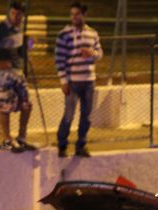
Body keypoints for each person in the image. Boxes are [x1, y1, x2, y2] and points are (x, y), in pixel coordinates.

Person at [0, 1, 35, 153]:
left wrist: (29, 44)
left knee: (26, 105)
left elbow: (21, 48)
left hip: (18, 72)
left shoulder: (20, 28)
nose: (16, 16)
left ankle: (22, 139)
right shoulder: (1, 28)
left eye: (19, 14)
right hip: (4, 74)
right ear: (9, 13)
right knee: (5, 107)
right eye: (13, 13)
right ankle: (7, 140)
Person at [55, 2, 102, 158]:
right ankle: (62, 144)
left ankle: (81, 145)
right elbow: (59, 60)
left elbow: (100, 53)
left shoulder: (93, 33)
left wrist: (92, 53)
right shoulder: (64, 34)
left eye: (77, 14)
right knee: (69, 115)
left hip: (89, 81)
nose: (74, 17)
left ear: (84, 15)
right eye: (72, 14)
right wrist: (63, 81)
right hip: (73, 82)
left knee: (86, 116)